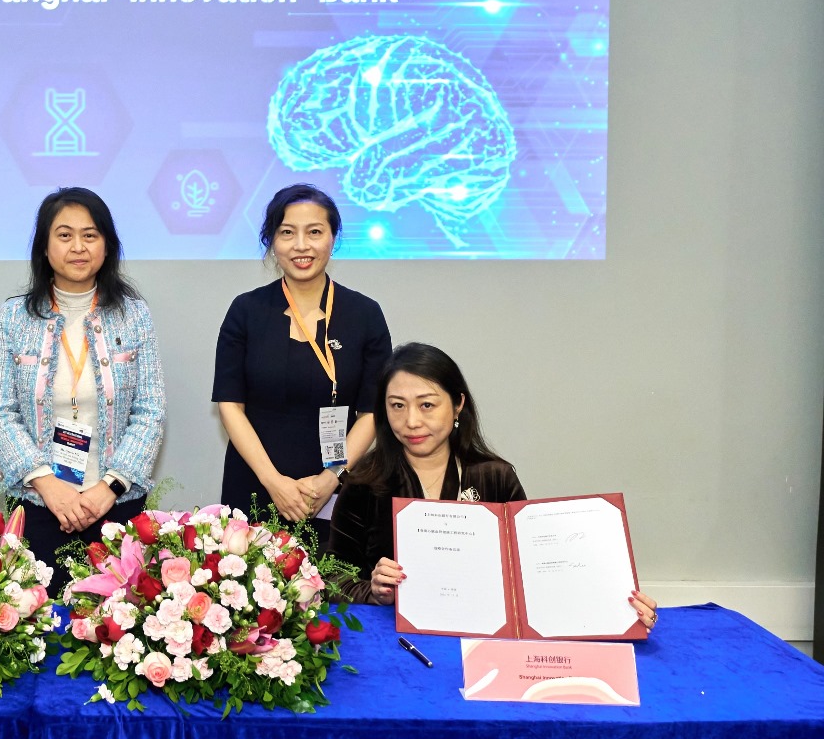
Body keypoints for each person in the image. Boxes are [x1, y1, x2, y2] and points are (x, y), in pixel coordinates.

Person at [328, 342, 660, 630]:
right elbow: (332, 576)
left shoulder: (495, 477)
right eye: (397, 405)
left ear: (458, 404)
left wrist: (617, 605)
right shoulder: (364, 481)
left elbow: (536, 573)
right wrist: (375, 592)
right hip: (396, 641)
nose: (411, 421)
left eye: (427, 404)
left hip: (483, 636)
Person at [0, 187, 166, 591]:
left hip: (116, 503)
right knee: (39, 615)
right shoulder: (13, 317)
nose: (78, 247)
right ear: (44, 247)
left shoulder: (134, 315)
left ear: (107, 245)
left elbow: (150, 411)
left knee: (118, 619)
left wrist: (109, 487)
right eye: (64, 235)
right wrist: (48, 485)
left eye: (90, 235)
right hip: (38, 503)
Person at [212, 183, 390, 545]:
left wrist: (331, 478)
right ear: (271, 241)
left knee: (336, 577)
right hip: (255, 484)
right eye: (287, 233)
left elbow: (372, 412)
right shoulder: (246, 311)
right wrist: (274, 482)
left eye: (315, 232)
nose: (301, 245)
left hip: (334, 490)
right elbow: (230, 405)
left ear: (333, 238)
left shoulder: (365, 314)